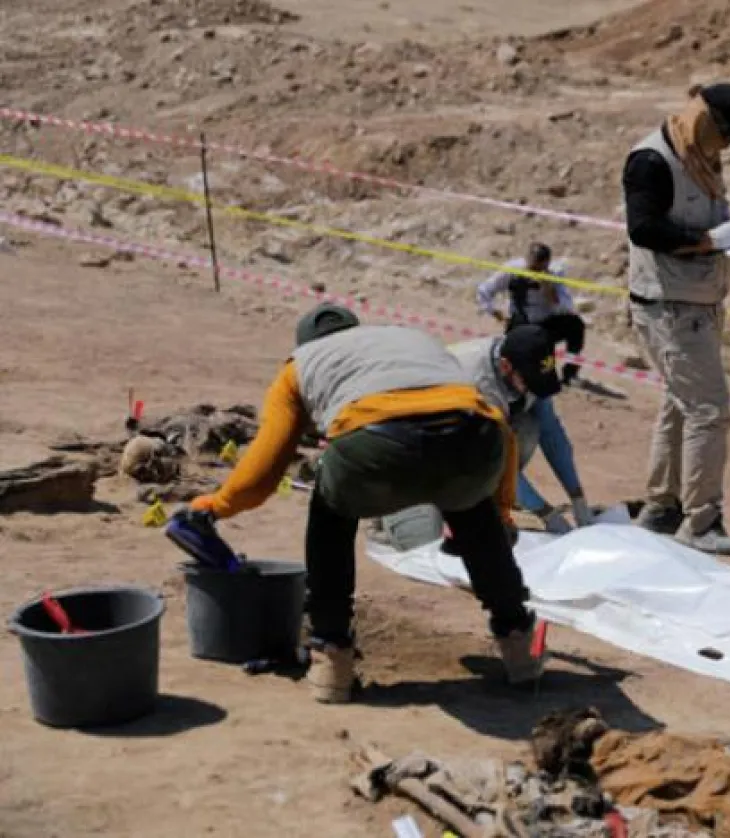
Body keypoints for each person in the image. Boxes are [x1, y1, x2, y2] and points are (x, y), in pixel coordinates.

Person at [184, 303, 544, 704]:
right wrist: (502, 510)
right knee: (476, 514)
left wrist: (217, 504)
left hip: (378, 448)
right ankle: (519, 648)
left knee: (329, 513)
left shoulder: (300, 365)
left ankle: (331, 656)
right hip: (477, 440)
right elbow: (503, 433)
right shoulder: (413, 339)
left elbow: (267, 465)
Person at [621, 81, 730, 555]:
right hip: (670, 304)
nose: (726, 147)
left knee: (681, 405)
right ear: (707, 122)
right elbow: (644, 228)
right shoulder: (653, 160)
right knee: (708, 410)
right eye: (726, 135)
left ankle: (662, 507)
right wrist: (708, 242)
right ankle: (701, 521)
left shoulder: (700, 160)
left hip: (697, 299)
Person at [375, 324, 596, 548]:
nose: (533, 389)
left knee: (527, 427)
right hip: (412, 459)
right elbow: (498, 462)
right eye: (529, 382)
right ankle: (389, 513)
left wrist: (577, 496)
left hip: (456, 449)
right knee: (425, 547)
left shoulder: (526, 365)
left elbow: (551, 434)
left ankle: (475, 498)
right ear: (506, 366)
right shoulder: (473, 383)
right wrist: (546, 514)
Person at [475, 242, 586, 386]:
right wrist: (497, 313)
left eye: (539, 269)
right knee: (532, 360)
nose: (534, 273)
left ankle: (570, 374)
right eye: (532, 268)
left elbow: (567, 307)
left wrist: (549, 290)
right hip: (521, 323)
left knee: (575, 325)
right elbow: (484, 291)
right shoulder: (513, 270)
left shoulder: (555, 274)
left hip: (545, 323)